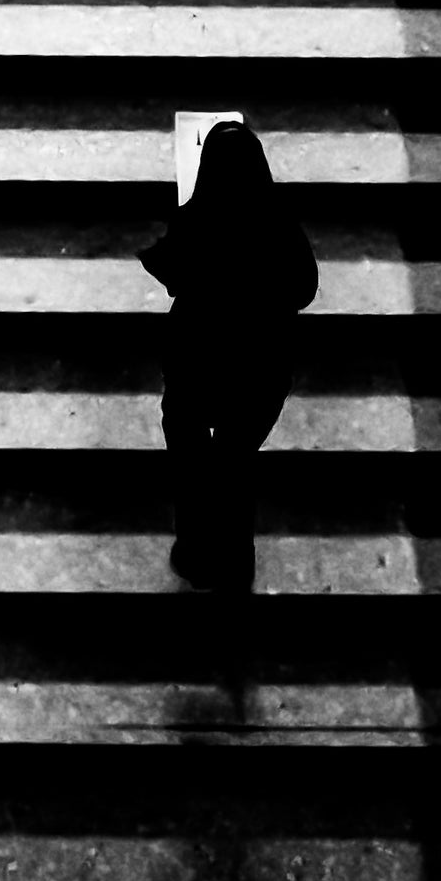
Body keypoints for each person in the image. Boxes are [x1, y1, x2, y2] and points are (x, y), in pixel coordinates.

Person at [140, 118, 318, 593]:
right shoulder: (280, 225)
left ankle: (194, 548)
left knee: (191, 457)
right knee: (235, 462)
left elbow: (172, 272)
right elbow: (305, 289)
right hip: (259, 370)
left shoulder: (195, 219)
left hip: (196, 365)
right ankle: (236, 558)